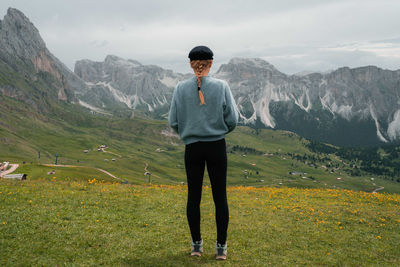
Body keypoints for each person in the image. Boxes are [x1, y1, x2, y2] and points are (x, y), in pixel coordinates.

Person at [168, 45, 239, 260]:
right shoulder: (222, 86)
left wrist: (189, 133)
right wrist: (219, 130)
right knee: (220, 198)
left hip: (193, 148)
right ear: (211, 63)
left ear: (191, 64)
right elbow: (233, 119)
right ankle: (221, 249)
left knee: (193, 198)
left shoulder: (180, 88)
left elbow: (173, 121)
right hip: (217, 146)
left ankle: (196, 245)